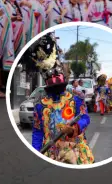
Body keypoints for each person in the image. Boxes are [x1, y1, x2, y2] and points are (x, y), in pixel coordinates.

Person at [31, 32, 94, 165]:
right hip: (50, 153)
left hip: (75, 151)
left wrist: (73, 129)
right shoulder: (40, 105)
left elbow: (85, 118)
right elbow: (37, 132)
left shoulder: (76, 98)